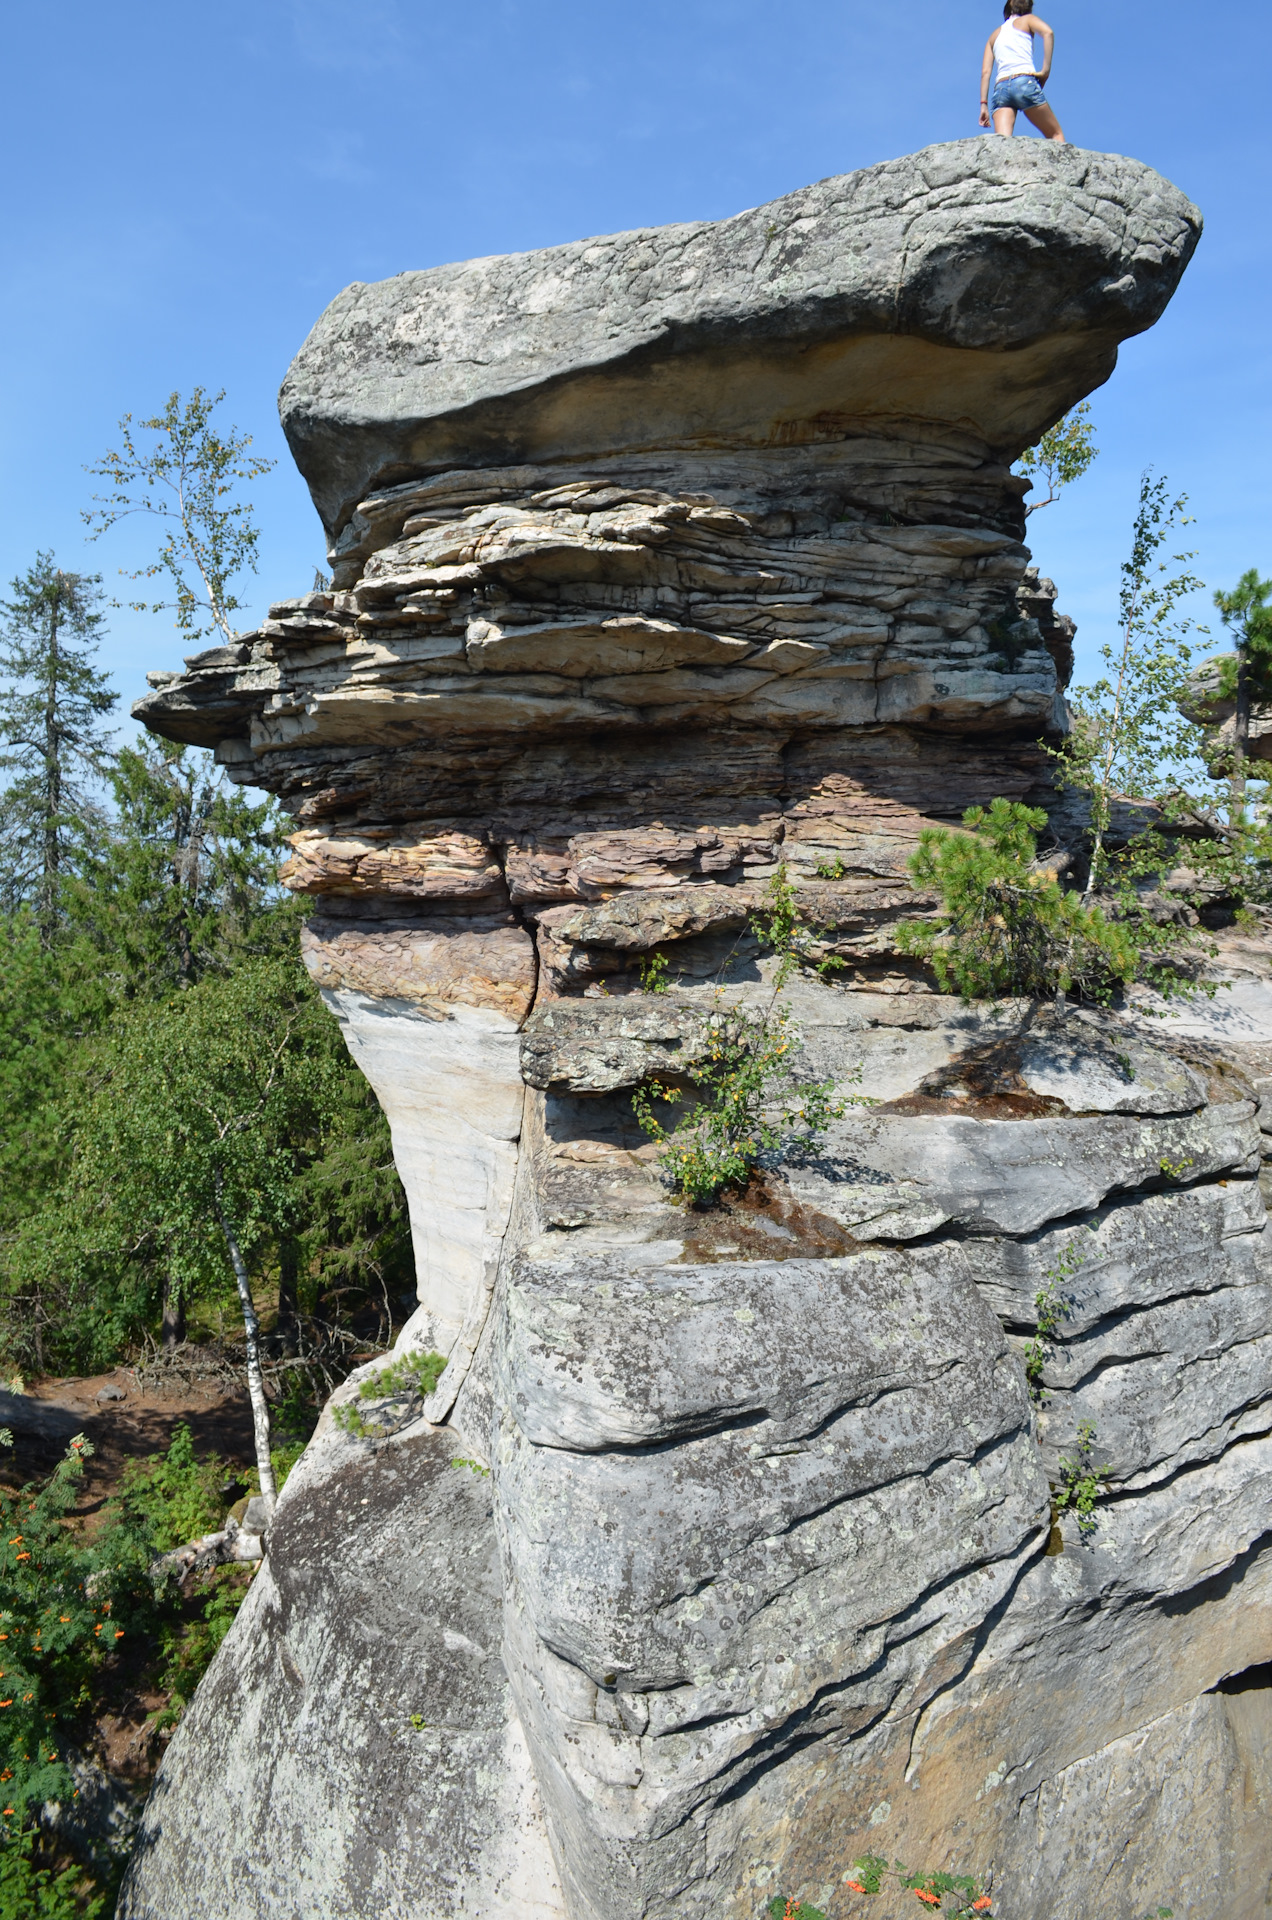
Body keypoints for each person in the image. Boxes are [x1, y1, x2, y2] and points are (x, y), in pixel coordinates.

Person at [979, 1, 1065, 142]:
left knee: (1002, 143)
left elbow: (985, 72)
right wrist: (1045, 71)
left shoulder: (994, 36)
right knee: (1055, 134)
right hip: (1023, 81)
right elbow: (1048, 32)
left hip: (1001, 89)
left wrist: (983, 105)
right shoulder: (1027, 19)